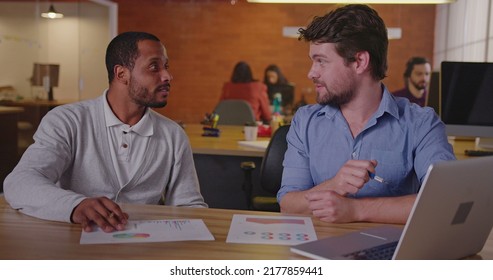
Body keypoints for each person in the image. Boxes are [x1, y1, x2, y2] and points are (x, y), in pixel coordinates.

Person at [3, 31, 207, 232]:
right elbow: (20, 182)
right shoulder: (67, 121)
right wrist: (76, 205)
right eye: (154, 67)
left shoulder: (173, 135)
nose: (167, 76)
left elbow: (188, 205)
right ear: (121, 74)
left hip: (143, 249)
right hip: (72, 245)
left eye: (166, 67)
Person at [277, 5, 455, 224]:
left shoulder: (422, 124)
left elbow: (444, 202)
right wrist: (334, 185)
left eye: (321, 61)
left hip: (391, 254)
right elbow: (288, 205)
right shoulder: (305, 121)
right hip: (319, 251)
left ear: (360, 62)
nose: (311, 72)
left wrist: (355, 210)